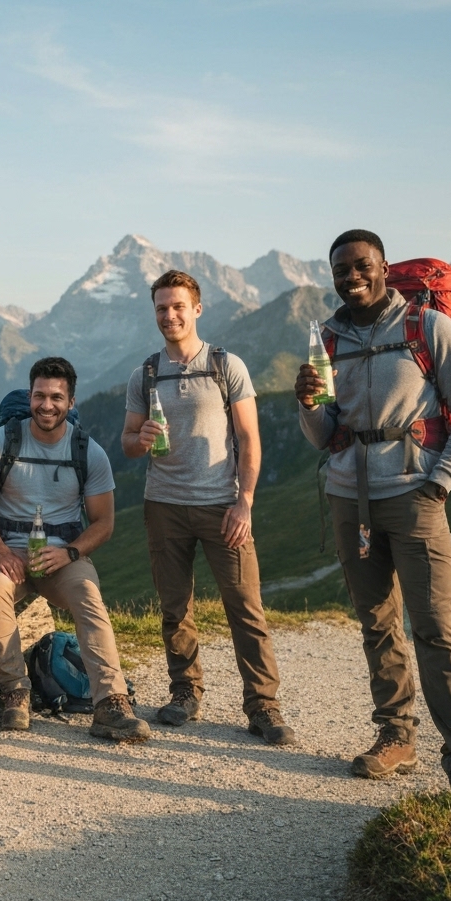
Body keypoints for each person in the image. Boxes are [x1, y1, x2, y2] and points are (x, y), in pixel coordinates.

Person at [295, 229, 451, 784]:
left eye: (361, 266)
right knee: (376, 624)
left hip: (415, 496)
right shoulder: (327, 339)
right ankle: (396, 737)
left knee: (434, 628)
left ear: (383, 267)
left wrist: (440, 482)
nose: (351, 277)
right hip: (348, 497)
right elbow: (323, 433)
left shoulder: (428, 327)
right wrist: (308, 404)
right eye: (340, 270)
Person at [121, 269, 295, 745]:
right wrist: (141, 438)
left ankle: (263, 706)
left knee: (245, 607)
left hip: (222, 504)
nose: (169, 315)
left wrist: (245, 503)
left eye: (178, 306)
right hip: (164, 505)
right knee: (175, 607)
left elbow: (249, 439)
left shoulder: (226, 365)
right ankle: (185, 693)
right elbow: (127, 443)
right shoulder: (146, 373)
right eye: (161, 307)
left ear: (197, 309)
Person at [0, 356, 150, 741]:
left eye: (56, 397)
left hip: (63, 556)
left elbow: (103, 522)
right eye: (39, 396)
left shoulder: (89, 452)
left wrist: (68, 554)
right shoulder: (1, 441)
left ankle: (111, 702)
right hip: (10, 551)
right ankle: (15, 692)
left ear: (71, 401)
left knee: (88, 596)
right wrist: (0, 551)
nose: (46, 405)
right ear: (29, 394)